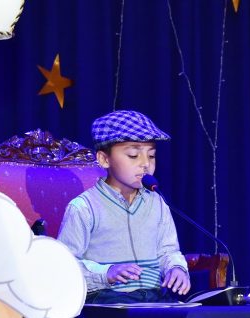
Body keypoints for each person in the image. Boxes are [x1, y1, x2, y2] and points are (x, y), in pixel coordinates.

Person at [58, 110, 190, 304]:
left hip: (154, 298)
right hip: (108, 298)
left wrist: (176, 269)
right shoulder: (84, 207)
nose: (145, 164)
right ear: (104, 159)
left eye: (151, 156)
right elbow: (64, 265)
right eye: (133, 155)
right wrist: (106, 272)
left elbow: (168, 251)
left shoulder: (157, 202)